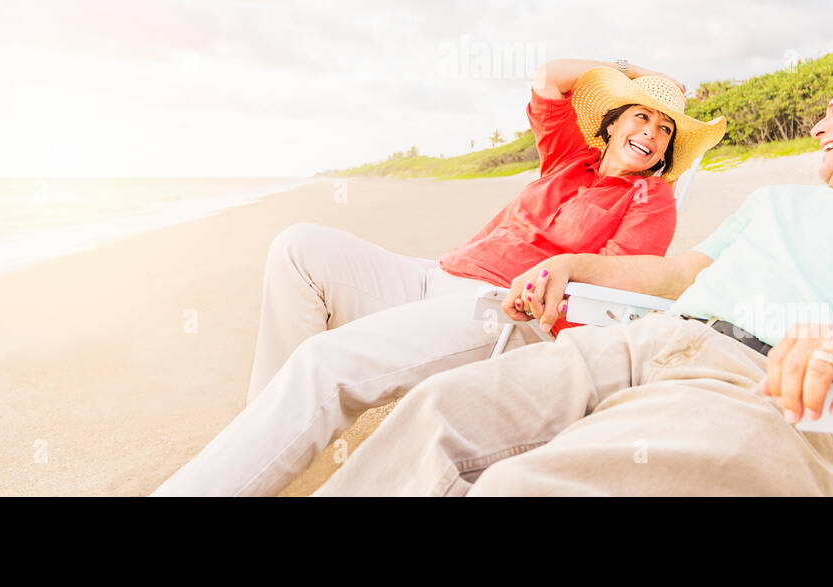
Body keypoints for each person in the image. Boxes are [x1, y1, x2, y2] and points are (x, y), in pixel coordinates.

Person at [313, 66, 833, 496]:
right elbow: (681, 272)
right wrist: (574, 264)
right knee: (432, 416)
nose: (817, 126)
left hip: (772, 402)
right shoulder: (779, 201)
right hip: (649, 343)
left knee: (521, 487)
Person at [153, 58, 725, 495]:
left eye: (665, 130)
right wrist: (632, 73)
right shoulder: (567, 159)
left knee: (325, 363)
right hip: (436, 275)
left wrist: (554, 317)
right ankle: (272, 444)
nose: (651, 134)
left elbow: (619, 286)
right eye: (640, 116)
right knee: (299, 248)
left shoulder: (653, 197)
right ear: (612, 124)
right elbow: (551, 77)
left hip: (498, 311)